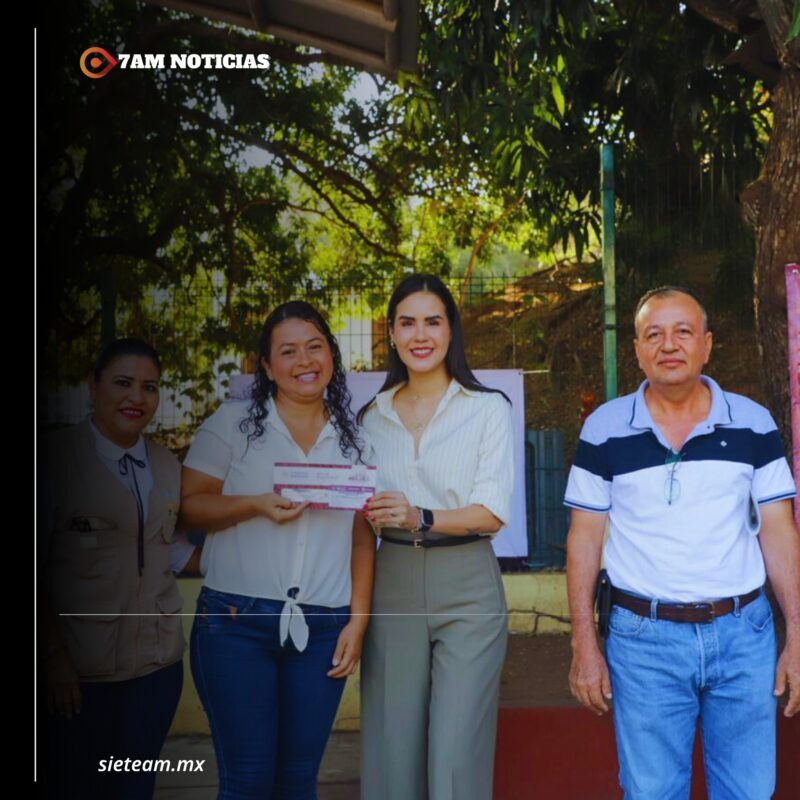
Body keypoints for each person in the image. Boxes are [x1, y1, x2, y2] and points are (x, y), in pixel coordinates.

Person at [565, 286, 800, 799]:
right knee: (651, 793)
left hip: (744, 636)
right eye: (654, 334)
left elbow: (780, 529)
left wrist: (798, 634)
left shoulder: (753, 423)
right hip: (643, 640)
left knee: (748, 791)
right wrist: (584, 643)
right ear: (636, 350)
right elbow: (584, 537)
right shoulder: (603, 429)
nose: (668, 344)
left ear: (707, 344)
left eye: (683, 332)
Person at [180, 301, 375, 800]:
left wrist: (358, 620)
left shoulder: (356, 439)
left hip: (325, 625)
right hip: (235, 624)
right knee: (248, 780)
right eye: (287, 351)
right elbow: (189, 509)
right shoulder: (232, 423)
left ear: (331, 355)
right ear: (266, 366)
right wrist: (255, 505)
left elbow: (360, 536)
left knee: (297, 780)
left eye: (315, 347)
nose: (304, 361)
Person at [358, 274, 514, 800]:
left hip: (467, 581)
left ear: (451, 331)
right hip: (393, 578)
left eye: (433, 321)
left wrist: (419, 515)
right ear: (392, 333)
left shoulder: (487, 407)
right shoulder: (368, 418)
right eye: (407, 322)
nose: (420, 335)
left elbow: (491, 513)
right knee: (391, 750)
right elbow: (357, 519)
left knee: (454, 756)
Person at [40, 337, 198, 799]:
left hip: (156, 669)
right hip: (79, 674)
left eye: (150, 387)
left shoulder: (168, 464)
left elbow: (171, 549)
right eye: (123, 384)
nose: (137, 398)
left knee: (133, 787)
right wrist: (53, 660)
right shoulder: (54, 459)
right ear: (93, 385)